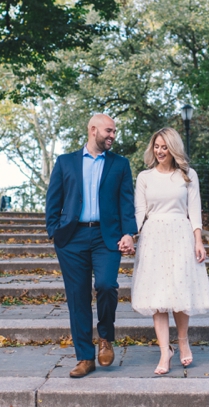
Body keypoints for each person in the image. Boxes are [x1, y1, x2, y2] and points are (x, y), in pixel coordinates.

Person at [45, 114, 138, 378]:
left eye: (114, 132)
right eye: (108, 131)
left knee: (107, 286)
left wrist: (129, 233)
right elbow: (54, 199)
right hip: (72, 239)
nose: (112, 135)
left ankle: (106, 337)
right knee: (78, 297)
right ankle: (85, 357)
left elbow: (126, 202)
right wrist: (54, 231)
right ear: (93, 129)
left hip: (105, 237)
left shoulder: (120, 164)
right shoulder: (65, 162)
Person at [131, 127, 209, 375]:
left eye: (164, 147)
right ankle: (164, 352)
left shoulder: (188, 175)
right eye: (157, 146)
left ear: (173, 148)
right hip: (153, 237)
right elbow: (140, 212)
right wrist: (131, 234)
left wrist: (198, 241)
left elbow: (195, 210)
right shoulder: (144, 178)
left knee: (179, 292)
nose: (160, 151)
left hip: (180, 235)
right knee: (158, 298)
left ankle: (182, 341)